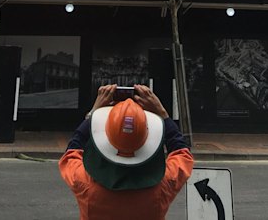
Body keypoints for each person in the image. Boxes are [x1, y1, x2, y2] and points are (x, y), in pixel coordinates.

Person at [59, 84, 193, 219]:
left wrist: (92, 114)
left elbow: (72, 151)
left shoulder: (84, 183)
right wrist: (162, 113)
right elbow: (182, 153)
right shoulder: (163, 186)